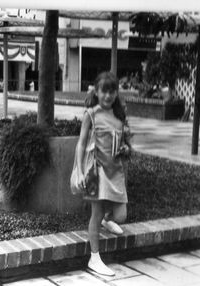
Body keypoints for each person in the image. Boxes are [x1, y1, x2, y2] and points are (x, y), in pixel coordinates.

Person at [76, 71, 131, 276]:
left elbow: (122, 142)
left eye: (112, 91)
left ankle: (109, 220)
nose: (108, 96)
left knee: (121, 216)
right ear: (97, 92)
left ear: (116, 93)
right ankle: (95, 258)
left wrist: (125, 149)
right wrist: (81, 171)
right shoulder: (91, 114)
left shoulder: (119, 116)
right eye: (104, 91)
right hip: (95, 171)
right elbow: (81, 144)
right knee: (95, 215)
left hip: (115, 171)